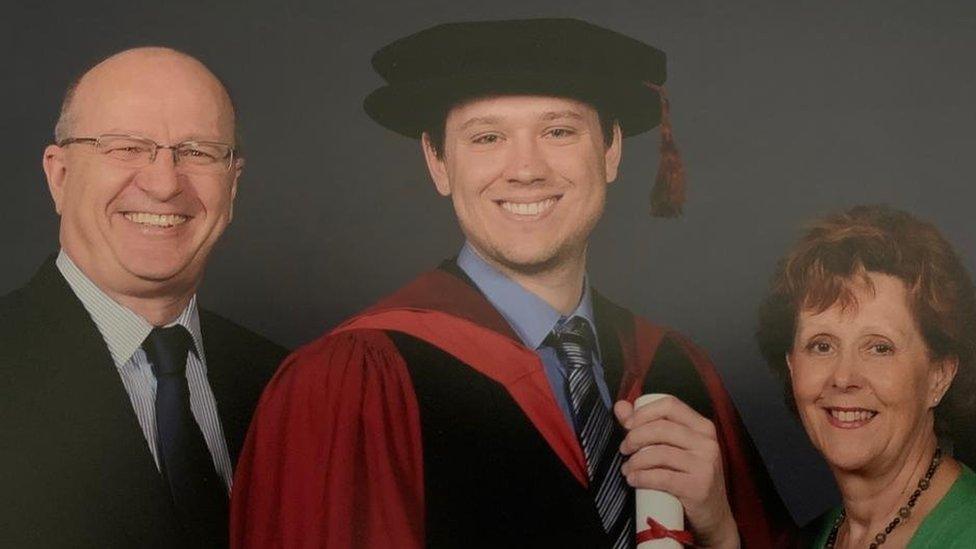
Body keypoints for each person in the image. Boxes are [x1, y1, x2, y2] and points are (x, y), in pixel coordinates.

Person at [233, 18, 794, 548]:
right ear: (437, 162)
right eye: (486, 139)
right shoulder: (354, 380)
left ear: (611, 150)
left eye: (558, 130)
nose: (525, 168)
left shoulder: (677, 369)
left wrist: (722, 530)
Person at [0, 47, 287, 548]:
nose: (163, 183)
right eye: (126, 147)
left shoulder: (285, 383)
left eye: (197, 152)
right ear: (59, 176)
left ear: (233, 184)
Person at [757, 205, 976, 547]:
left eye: (879, 348)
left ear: (939, 376)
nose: (844, 377)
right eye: (822, 345)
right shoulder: (821, 535)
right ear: (791, 364)